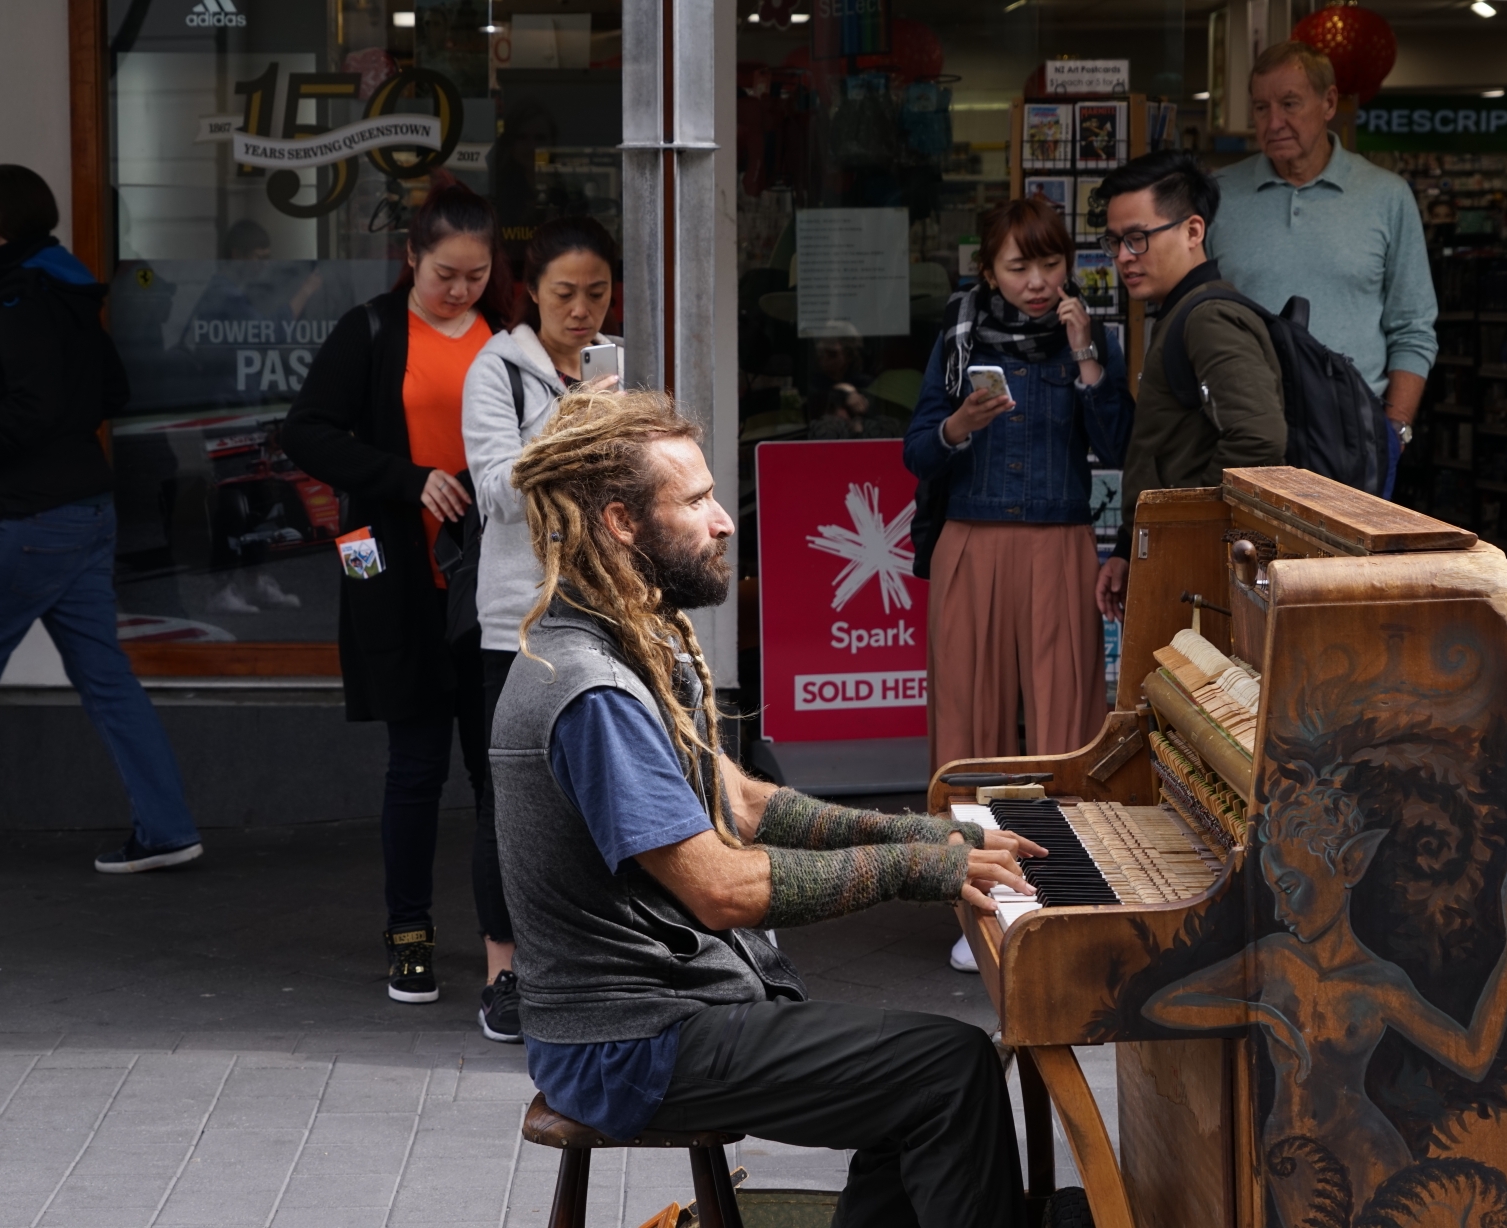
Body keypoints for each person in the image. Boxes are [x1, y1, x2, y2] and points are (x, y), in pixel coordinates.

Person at [496, 387, 1045, 1226]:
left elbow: (744, 804)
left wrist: (925, 833)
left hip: (661, 1017)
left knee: (923, 1073)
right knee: (948, 1070)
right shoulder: (591, 689)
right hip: (628, 1044)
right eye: (696, 501)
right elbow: (722, 888)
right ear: (620, 523)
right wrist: (918, 868)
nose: (723, 521)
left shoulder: (623, 643)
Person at [0, 166, 205, 880]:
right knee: (107, 681)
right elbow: (108, 388)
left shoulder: (19, 293)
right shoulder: (67, 288)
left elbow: (32, 402)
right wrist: (58, 437)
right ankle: (169, 828)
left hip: (24, 523)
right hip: (84, 514)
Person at [281, 181, 521, 1017]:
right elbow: (305, 431)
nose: (460, 291)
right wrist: (409, 480)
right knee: (415, 766)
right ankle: (409, 932)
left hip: (489, 584)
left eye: (476, 275)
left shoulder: (509, 339)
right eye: (446, 274)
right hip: (388, 569)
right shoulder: (373, 330)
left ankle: (508, 949)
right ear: (411, 258)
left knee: (497, 772)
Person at [904, 196, 1132, 975]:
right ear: (989, 271)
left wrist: (1089, 361)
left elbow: (1118, 444)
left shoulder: (1089, 338)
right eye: (1018, 266)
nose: (1037, 282)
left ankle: (1064, 890)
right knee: (970, 722)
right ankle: (982, 906)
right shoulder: (960, 339)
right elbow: (918, 452)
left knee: (1066, 714)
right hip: (972, 538)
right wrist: (961, 423)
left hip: (1060, 542)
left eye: (1050, 263)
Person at [462, 215, 622, 1039]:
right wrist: (570, 427)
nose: (583, 309)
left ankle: (589, 958)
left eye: (596, 292)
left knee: (600, 787)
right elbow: (494, 489)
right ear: (531, 290)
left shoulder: (611, 367)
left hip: (602, 611)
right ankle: (505, 973)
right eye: (565, 293)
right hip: (516, 619)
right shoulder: (498, 369)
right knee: (508, 800)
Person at [1208, 40, 1437, 466]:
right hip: (1241, 434)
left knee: (1348, 538)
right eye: (1261, 108)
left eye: (1289, 104)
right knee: (1248, 538)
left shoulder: (1386, 196)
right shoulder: (1217, 196)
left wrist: (1396, 428)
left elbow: (1413, 327)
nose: (1274, 122)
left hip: (1354, 437)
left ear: (1328, 102)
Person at [1093, 151, 1289, 623]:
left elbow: (1260, 437)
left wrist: (1182, 522)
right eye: (1115, 241)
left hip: (1202, 565)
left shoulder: (1208, 318)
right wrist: (1130, 542)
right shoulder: (1182, 312)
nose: (1123, 256)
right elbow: (1171, 445)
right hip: (1187, 556)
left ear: (1193, 231)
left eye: (1137, 238)